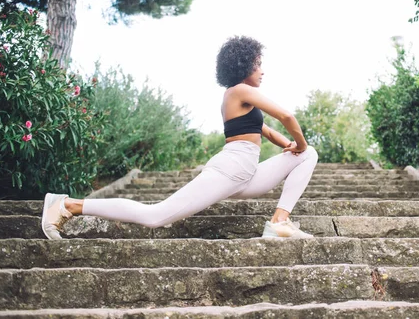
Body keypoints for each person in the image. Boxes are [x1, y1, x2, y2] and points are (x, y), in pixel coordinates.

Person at [41, 36, 318, 240]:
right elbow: (287, 116)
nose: (262, 70)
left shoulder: (245, 101)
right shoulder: (237, 91)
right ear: (243, 65)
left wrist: (291, 146)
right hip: (231, 169)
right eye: (258, 64)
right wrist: (300, 142)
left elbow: (267, 130)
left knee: (308, 155)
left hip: (247, 173)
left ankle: (280, 222)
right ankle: (67, 205)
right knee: (155, 216)